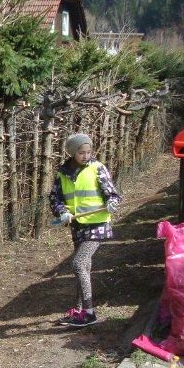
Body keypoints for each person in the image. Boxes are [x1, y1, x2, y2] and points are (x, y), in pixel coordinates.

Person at [49, 133, 122, 327]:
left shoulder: (98, 168)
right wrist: (61, 211)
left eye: (89, 152)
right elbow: (55, 198)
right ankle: (79, 309)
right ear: (73, 153)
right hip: (77, 225)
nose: (86, 155)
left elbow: (112, 193)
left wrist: (112, 203)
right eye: (81, 152)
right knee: (84, 267)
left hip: (97, 224)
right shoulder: (63, 173)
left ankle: (89, 313)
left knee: (79, 263)